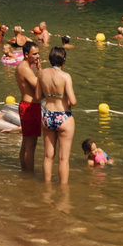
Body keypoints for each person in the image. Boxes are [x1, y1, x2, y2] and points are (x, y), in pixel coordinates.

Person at [37, 45, 76, 183]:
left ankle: (47, 188)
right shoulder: (65, 76)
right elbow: (73, 101)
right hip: (63, 116)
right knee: (63, 159)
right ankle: (63, 192)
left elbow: (37, 96)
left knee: (48, 156)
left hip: (47, 116)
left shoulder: (42, 74)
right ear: (63, 59)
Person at [15, 41, 42, 172]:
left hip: (27, 105)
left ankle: (24, 172)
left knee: (26, 143)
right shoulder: (25, 68)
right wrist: (40, 70)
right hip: (30, 107)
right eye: (35, 54)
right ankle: (29, 174)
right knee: (31, 145)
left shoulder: (22, 67)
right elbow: (39, 86)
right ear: (26, 54)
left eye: (38, 53)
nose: (38, 56)